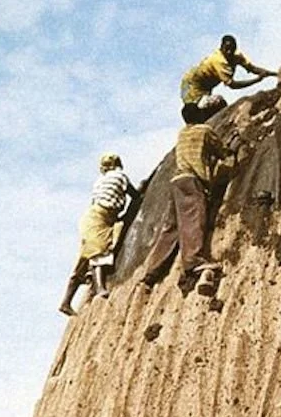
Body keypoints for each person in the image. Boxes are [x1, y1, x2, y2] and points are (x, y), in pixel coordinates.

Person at [139, 103, 237, 295]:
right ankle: (194, 261)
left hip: (176, 181)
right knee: (194, 220)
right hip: (193, 181)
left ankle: (151, 271)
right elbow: (220, 151)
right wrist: (232, 148)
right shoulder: (205, 130)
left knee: (171, 227)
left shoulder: (182, 133)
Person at [58, 153, 139, 316]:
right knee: (100, 251)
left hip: (95, 217)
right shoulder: (119, 176)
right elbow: (134, 194)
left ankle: (66, 302)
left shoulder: (100, 180)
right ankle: (100, 287)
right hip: (100, 217)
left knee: (84, 260)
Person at [180, 35, 276, 113]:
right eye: (226, 49)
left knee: (211, 106)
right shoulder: (218, 61)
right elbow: (232, 85)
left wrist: (273, 74)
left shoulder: (236, 56)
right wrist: (257, 80)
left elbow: (253, 68)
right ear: (221, 47)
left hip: (206, 87)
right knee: (201, 109)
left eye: (232, 49)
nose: (229, 52)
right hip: (191, 85)